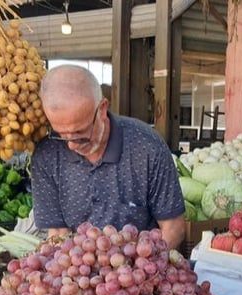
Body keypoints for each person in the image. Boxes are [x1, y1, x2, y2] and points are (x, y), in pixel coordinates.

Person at [30, 65, 186, 250]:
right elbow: (57, 234)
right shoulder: (46, 155)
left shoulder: (146, 146)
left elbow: (173, 227)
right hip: (80, 273)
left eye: (80, 132)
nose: (71, 145)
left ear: (102, 109)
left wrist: (142, 267)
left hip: (137, 268)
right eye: (61, 134)